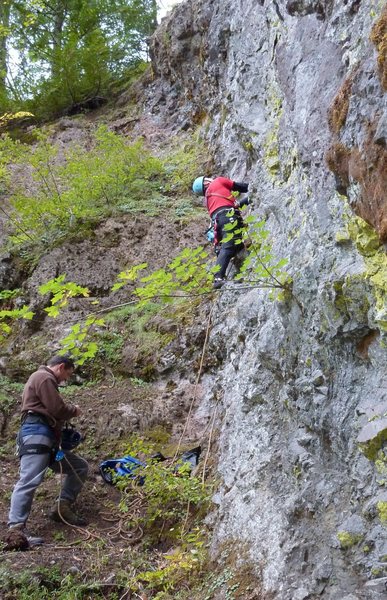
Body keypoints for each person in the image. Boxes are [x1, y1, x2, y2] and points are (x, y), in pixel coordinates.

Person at [7, 355, 89, 547]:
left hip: (48, 440)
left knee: (79, 467)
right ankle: (15, 530)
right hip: (37, 435)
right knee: (29, 480)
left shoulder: (44, 379)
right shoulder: (43, 377)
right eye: (67, 375)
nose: (65, 380)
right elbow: (57, 408)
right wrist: (74, 410)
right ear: (61, 367)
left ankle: (62, 506)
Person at [192, 175, 250, 288]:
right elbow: (241, 187)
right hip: (227, 216)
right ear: (205, 183)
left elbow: (234, 205)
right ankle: (218, 278)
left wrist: (248, 199)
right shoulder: (218, 182)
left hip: (219, 221)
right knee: (229, 246)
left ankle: (230, 273)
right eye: (208, 178)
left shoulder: (208, 200)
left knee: (235, 246)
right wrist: (255, 188)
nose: (211, 178)